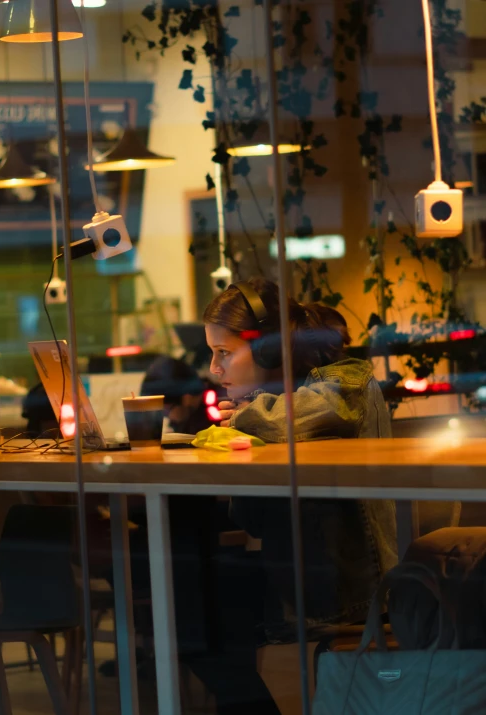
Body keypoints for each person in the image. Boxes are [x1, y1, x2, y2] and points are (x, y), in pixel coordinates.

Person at [188, 277, 398, 712]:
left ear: (268, 348)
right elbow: (251, 520)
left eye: (223, 352)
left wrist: (247, 416)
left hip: (350, 589)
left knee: (196, 613)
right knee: (189, 605)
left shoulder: (346, 380)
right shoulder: (266, 403)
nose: (214, 368)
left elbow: (306, 412)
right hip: (304, 572)